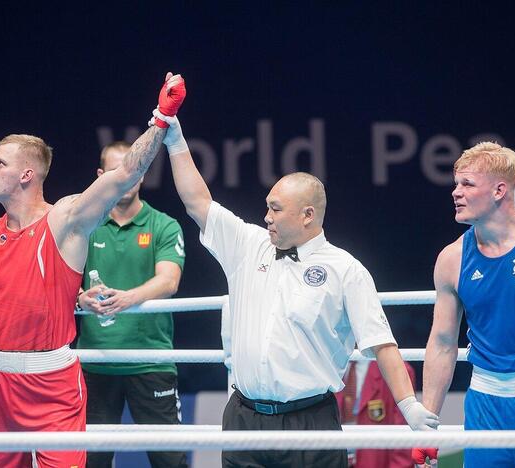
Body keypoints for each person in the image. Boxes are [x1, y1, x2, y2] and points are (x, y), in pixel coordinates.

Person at [0, 72, 186, 468]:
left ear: (26, 175)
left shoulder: (65, 219)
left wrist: (161, 116)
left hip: (51, 380)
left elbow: (125, 175)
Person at [153, 110, 438, 468]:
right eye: (267, 207)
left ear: (307, 215)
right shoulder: (248, 244)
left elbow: (383, 345)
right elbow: (198, 202)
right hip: (243, 420)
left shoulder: (346, 270)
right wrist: (175, 138)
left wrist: (409, 406)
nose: (267, 216)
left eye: (275, 208)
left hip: (311, 423)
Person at [415, 142, 515, 468]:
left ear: (499, 190)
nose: (456, 192)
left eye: (467, 184)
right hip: (485, 404)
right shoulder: (452, 259)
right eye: (456, 184)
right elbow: (442, 343)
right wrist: (428, 424)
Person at [76, 141, 187, 468]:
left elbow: (169, 281)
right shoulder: (82, 225)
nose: (124, 178)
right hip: (95, 363)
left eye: (131, 170)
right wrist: (78, 298)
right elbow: (62, 281)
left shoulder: (164, 225)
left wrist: (128, 298)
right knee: (90, 462)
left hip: (150, 362)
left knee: (170, 461)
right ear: (101, 176)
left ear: (141, 174)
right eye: (114, 171)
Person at [335, 360, 416, 468]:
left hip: (374, 461)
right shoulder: (324, 368)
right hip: (334, 458)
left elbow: (404, 441)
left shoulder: (397, 370)